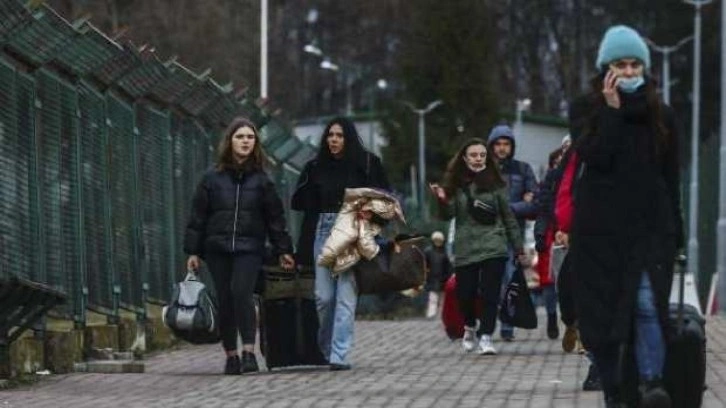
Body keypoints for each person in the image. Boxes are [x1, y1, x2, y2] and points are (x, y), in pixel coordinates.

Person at [570, 25, 684, 407]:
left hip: (650, 228)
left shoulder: (662, 115)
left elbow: (671, 178)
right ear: (606, 68)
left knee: (647, 304)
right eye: (622, 64)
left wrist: (677, 233)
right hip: (600, 234)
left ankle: (653, 383)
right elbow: (597, 156)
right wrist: (614, 113)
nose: (631, 72)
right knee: (602, 322)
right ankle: (615, 391)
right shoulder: (585, 110)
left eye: (636, 64)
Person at [183, 117, 296, 375]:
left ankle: (248, 351)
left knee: (241, 293)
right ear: (230, 141)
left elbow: (275, 219)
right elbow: (198, 217)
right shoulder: (211, 178)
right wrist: (193, 251)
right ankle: (231, 355)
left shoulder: (262, 180)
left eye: (250, 137)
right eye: (240, 136)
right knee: (225, 299)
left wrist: (283, 250)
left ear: (255, 143)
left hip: (250, 248)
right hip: (217, 248)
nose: (246, 141)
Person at [291, 117, 389, 371]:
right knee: (323, 297)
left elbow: (386, 199)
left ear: (349, 138)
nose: (334, 140)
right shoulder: (315, 167)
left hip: (353, 231)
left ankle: (339, 354)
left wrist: (370, 216)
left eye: (340, 135)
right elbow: (301, 204)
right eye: (330, 135)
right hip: (323, 230)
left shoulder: (366, 164)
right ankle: (325, 347)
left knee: (346, 296)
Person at [429, 138, 525, 356]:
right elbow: (448, 215)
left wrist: (518, 248)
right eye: (473, 155)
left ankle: (487, 336)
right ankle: (470, 326)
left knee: (491, 293)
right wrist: (442, 199)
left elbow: (508, 216)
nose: (478, 159)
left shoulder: (496, 184)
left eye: (482, 155)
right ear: (464, 158)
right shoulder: (455, 184)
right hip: (466, 246)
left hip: (494, 244)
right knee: (465, 293)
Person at [487, 125, 538, 342]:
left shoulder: (523, 170)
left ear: (512, 146)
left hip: (512, 235)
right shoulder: (483, 171)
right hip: (486, 234)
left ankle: (507, 325)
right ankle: (484, 325)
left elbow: (535, 203)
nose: (502, 148)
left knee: (509, 280)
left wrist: (509, 208)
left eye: (506, 144)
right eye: (498, 144)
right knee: (487, 282)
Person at [424, 231, 453, 318]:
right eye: (436, 240)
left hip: (443, 279)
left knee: (443, 299)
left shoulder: (445, 252)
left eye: (439, 240)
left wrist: (448, 277)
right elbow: (424, 264)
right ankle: (431, 314)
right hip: (432, 278)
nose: (438, 242)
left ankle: (442, 315)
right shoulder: (428, 252)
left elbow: (448, 267)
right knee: (433, 298)